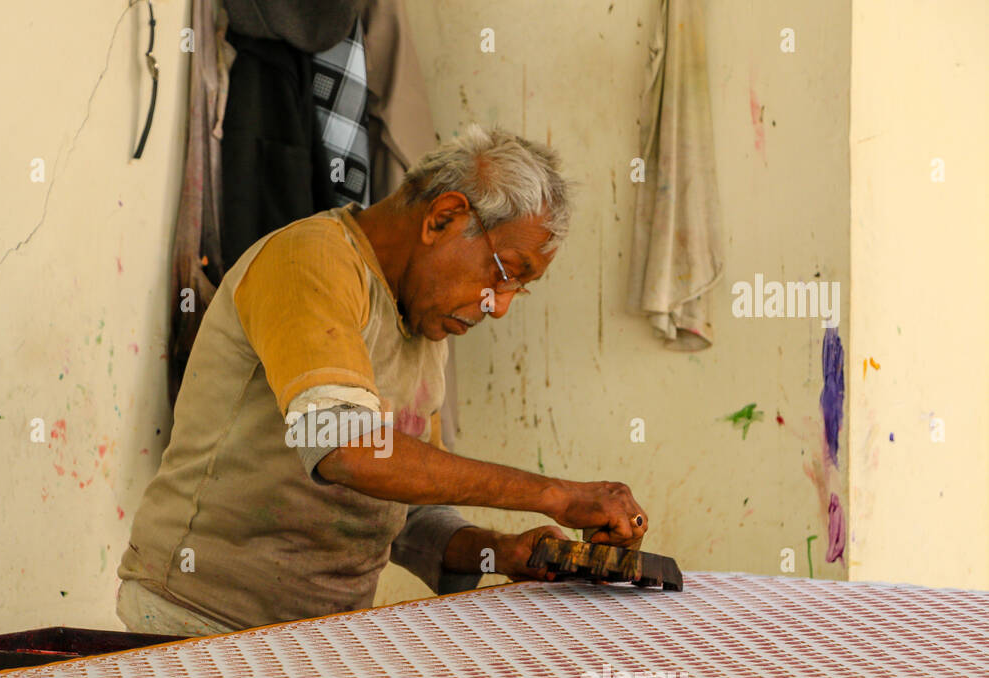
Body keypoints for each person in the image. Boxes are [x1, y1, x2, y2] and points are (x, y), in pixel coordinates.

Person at [117, 125, 648, 637]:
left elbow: (408, 515)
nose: (500, 305)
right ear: (443, 218)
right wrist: (552, 494)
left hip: (322, 632)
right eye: (505, 273)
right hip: (197, 618)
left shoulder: (425, 319)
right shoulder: (308, 262)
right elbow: (343, 447)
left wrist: (502, 551)